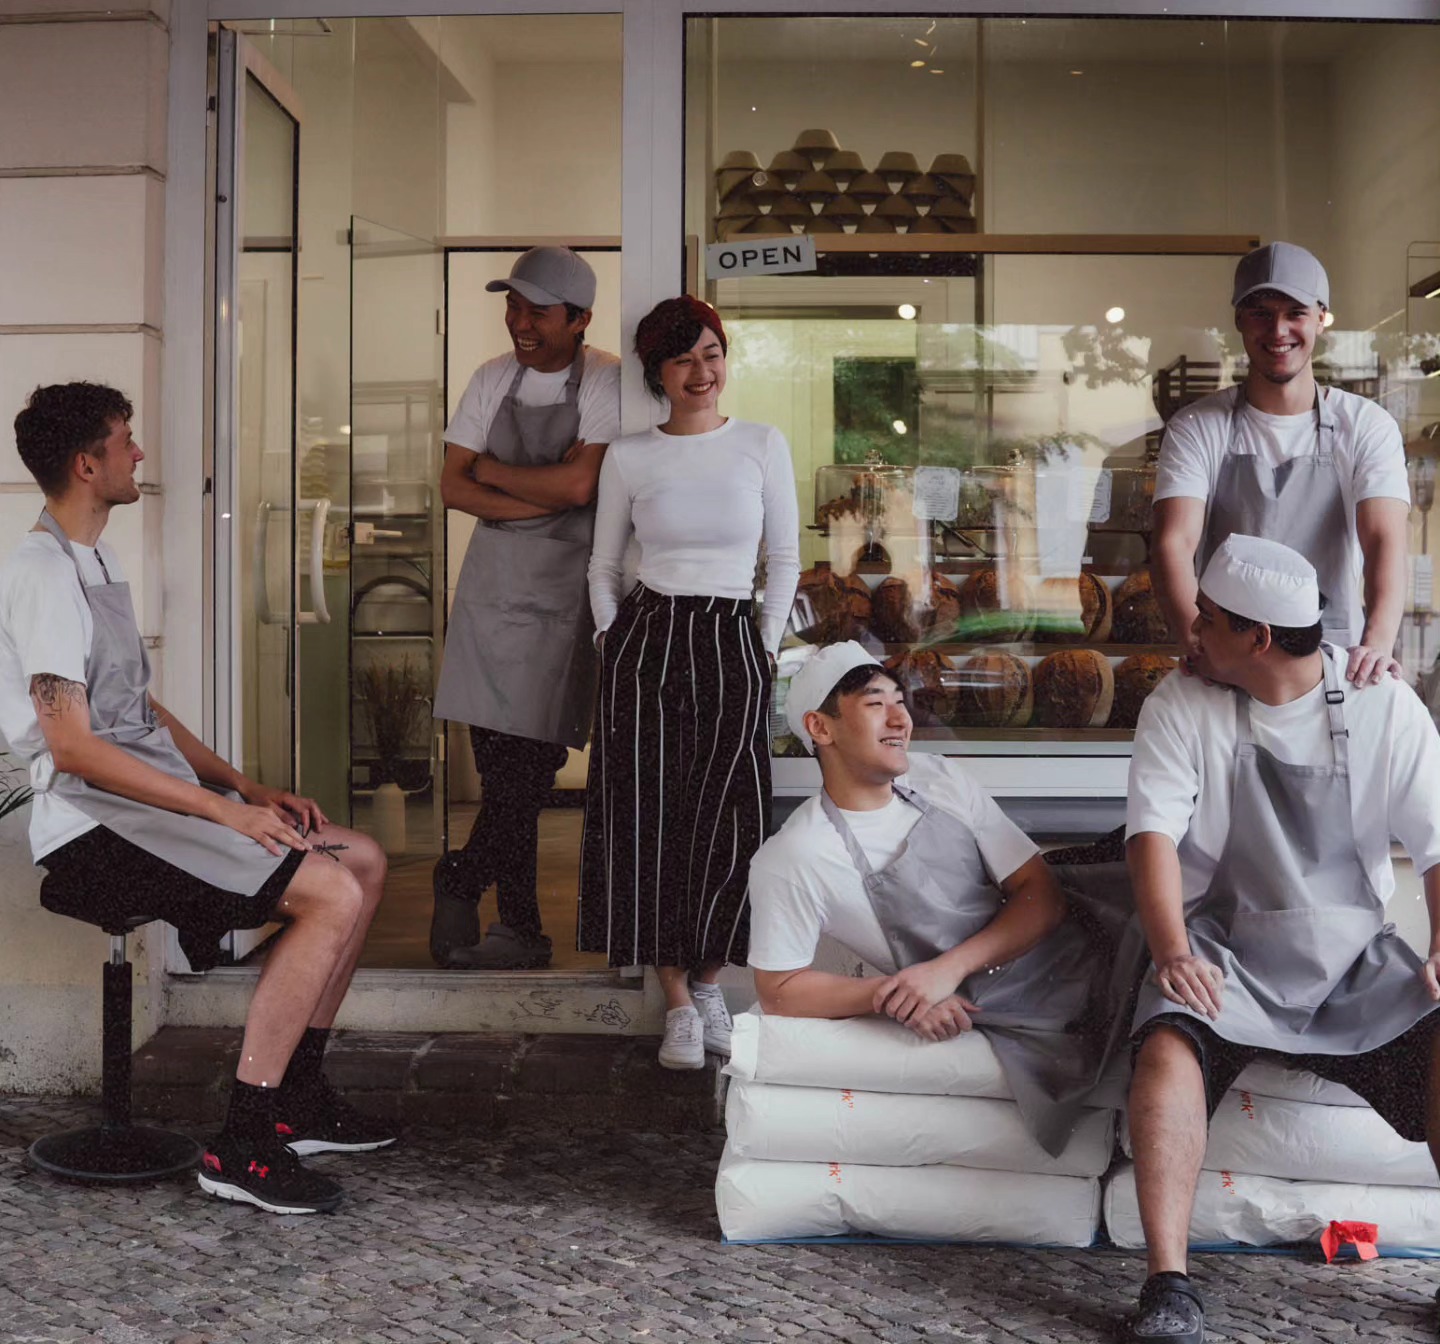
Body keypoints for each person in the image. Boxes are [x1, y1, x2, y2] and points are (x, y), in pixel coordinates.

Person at [0, 384, 392, 1214]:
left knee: (365, 860)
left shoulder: (97, 560)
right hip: (90, 821)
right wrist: (220, 812)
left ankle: (299, 1101)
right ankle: (242, 1146)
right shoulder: (40, 573)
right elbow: (72, 746)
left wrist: (245, 786)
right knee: (327, 891)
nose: (138, 453)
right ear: (86, 463)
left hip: (150, 805)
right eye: (125, 440)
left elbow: (139, 709)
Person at [1123, 534, 1440, 1344]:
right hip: (1223, 951)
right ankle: (1168, 1286)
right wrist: (1171, 952)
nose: (1191, 632)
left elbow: (1437, 842)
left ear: (1257, 638)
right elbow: (1150, 836)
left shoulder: (1382, 704)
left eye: (1209, 621)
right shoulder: (1181, 703)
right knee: (1165, 1046)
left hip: (1351, 958)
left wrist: (1439, 948)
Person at [746, 641, 1111, 1157]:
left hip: (1078, 964)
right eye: (875, 704)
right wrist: (893, 994)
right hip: (1000, 1017)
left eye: (900, 700)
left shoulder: (940, 778)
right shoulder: (795, 855)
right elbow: (779, 989)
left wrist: (944, 971)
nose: (900, 719)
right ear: (820, 727)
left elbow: (1042, 896)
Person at [577, 296, 800, 1070]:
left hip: (733, 637)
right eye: (683, 359)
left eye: (711, 353)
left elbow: (786, 560)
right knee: (648, 816)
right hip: (650, 636)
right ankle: (676, 998)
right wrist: (614, 637)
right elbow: (604, 565)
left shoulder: (762, 445)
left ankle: (711, 980)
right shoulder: (630, 456)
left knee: (733, 817)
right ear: (658, 374)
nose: (701, 372)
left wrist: (762, 648)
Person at [430, 247, 621, 970]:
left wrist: (493, 474)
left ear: (579, 320)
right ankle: (521, 932)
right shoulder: (490, 377)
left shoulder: (605, 380)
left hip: (560, 598)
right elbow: (452, 487)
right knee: (501, 770)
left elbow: (582, 489)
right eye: (513, 307)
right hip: (490, 598)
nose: (520, 323)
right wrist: (541, 486)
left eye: (536, 310)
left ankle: (462, 875)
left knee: (531, 768)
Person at [1151, 241, 1409, 688]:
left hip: (1336, 667)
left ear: (1321, 318)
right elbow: (1173, 543)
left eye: (1295, 312)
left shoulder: (1367, 426)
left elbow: (1384, 540)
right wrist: (1198, 642)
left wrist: (1378, 645)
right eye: (1261, 312)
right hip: (1228, 670)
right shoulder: (1197, 426)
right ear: (1238, 320)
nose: (1278, 329)